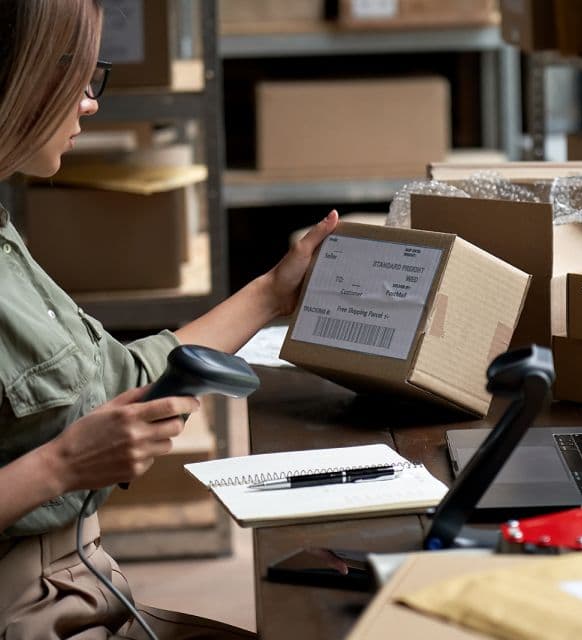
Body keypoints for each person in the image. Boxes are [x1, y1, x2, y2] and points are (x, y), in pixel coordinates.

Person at [0, 1, 339, 638]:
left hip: (82, 585)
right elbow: (68, 443)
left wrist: (273, 292)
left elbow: (118, 375)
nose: (90, 101)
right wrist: (60, 466)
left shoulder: (3, 235)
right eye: (72, 73)